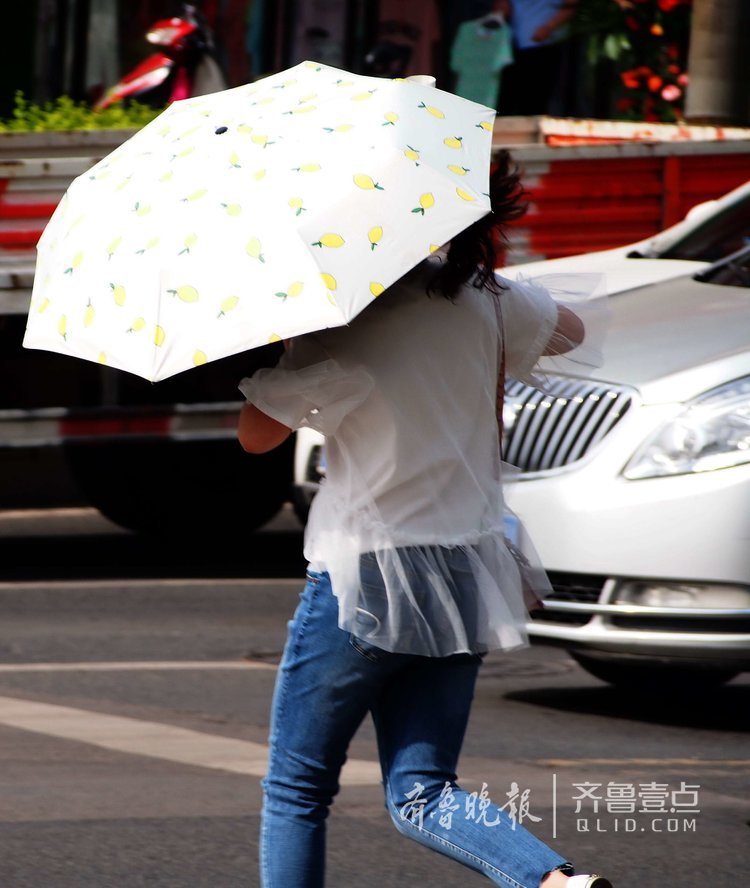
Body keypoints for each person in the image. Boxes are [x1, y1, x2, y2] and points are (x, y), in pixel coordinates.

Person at [237, 148, 612, 888]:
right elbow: (570, 330)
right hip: (468, 567)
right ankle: (554, 883)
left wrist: (288, 345)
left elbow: (255, 439)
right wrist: (483, 287)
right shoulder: (489, 301)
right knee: (423, 790)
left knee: (296, 789)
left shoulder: (344, 321)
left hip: (368, 574)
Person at [498, 0, 579, 116]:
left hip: (547, 44)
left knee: (537, 98)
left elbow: (571, 5)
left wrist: (549, 27)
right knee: (510, 99)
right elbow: (502, 5)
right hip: (513, 45)